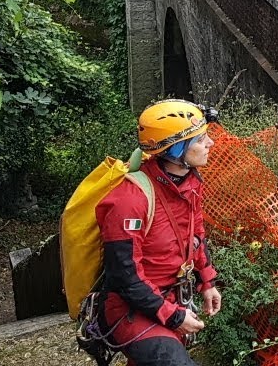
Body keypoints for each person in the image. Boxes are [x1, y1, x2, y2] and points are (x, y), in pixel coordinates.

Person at [94, 99, 223, 366]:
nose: (210, 143)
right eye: (200, 140)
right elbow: (124, 276)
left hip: (170, 298)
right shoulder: (130, 201)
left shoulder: (191, 184)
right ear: (176, 149)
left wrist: (207, 282)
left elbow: (196, 234)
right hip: (130, 309)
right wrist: (174, 316)